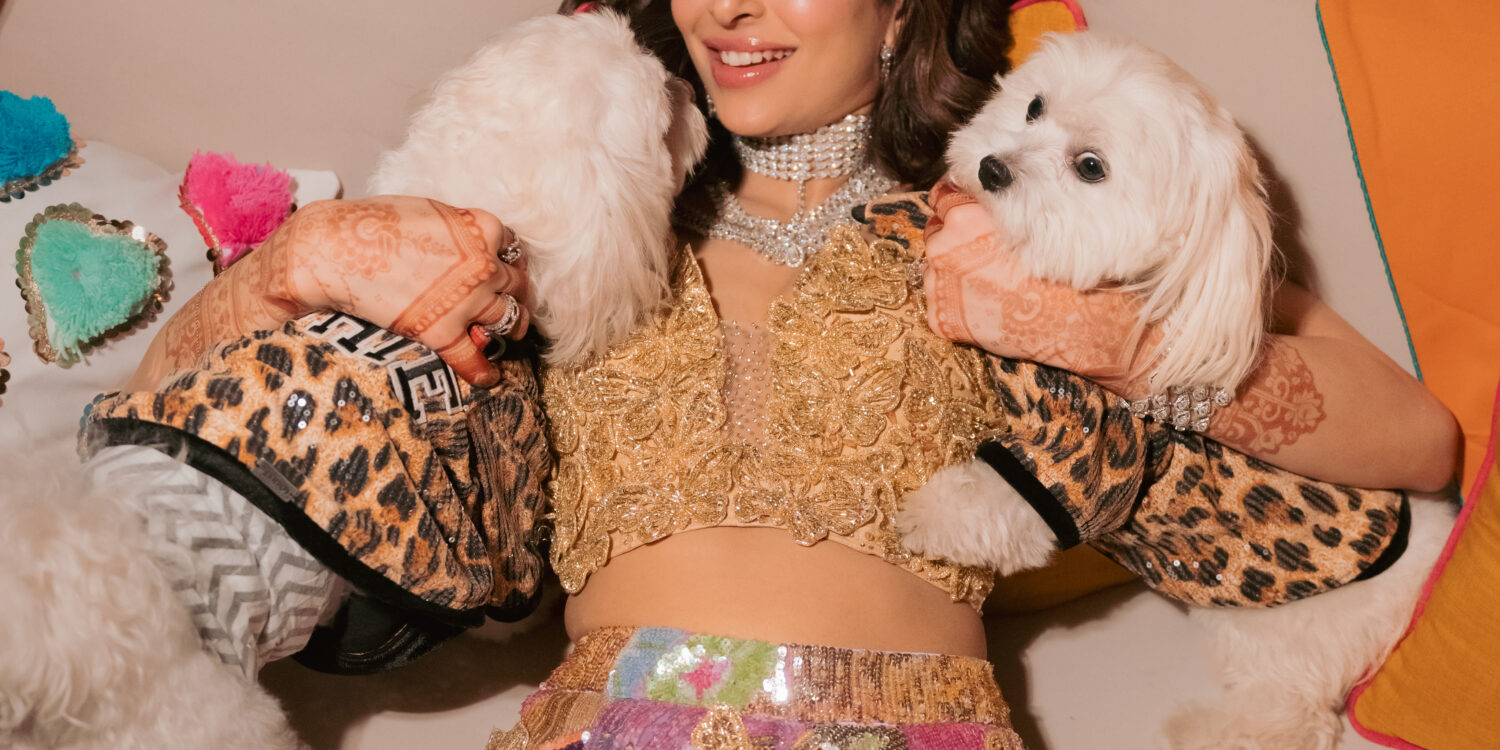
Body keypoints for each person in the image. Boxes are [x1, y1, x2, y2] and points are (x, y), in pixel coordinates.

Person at [125, 0, 1459, 747]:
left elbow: (1416, 439)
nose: (729, 6)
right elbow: (148, 423)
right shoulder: (562, 211)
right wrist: (296, 259)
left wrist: (1097, 335)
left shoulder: (1032, 214)